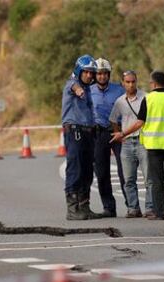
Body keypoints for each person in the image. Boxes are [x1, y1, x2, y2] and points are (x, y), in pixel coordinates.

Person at [111, 71, 164, 220]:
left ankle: (160, 213)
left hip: (155, 146)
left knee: (157, 179)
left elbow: (140, 123)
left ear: (153, 84)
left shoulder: (149, 99)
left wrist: (123, 133)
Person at [61, 54, 102, 220]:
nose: (90, 76)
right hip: (75, 131)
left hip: (88, 132)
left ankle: (84, 206)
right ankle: (72, 209)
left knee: (87, 170)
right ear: (79, 71)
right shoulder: (73, 84)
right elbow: (73, 87)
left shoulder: (87, 89)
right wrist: (77, 89)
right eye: (86, 72)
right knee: (75, 169)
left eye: (92, 73)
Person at [109, 70, 154, 218]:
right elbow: (113, 119)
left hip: (143, 141)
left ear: (137, 81)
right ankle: (133, 208)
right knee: (128, 179)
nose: (130, 84)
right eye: (127, 82)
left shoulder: (146, 98)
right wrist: (118, 134)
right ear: (123, 83)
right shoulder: (120, 101)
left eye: (133, 81)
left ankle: (150, 208)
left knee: (149, 177)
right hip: (127, 143)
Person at [90, 58, 127, 218]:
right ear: (94, 75)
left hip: (118, 132)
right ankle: (109, 208)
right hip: (98, 134)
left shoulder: (119, 90)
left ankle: (132, 206)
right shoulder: (88, 90)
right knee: (102, 172)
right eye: (99, 74)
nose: (102, 77)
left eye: (105, 73)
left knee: (125, 170)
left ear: (109, 74)